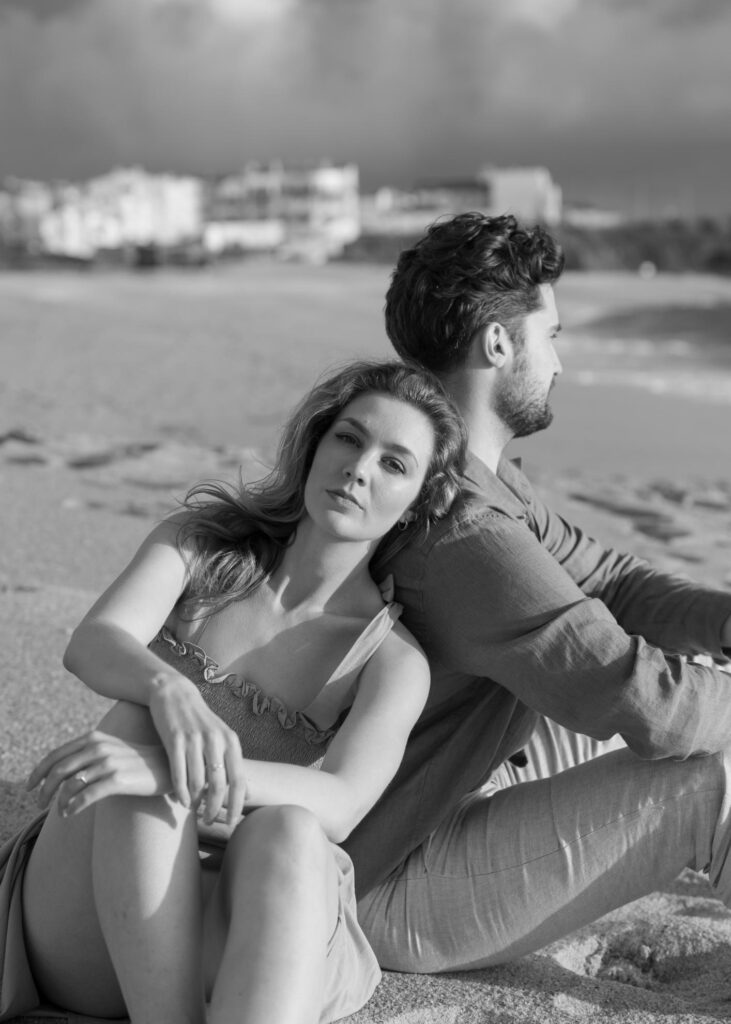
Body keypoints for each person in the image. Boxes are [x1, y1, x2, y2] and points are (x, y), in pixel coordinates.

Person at [1, 360, 467, 1024]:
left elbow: (340, 803)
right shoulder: (203, 546)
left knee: (293, 831)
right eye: (348, 438)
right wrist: (170, 692)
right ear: (315, 445)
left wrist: (172, 769)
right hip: (89, 914)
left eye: (394, 464)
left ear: (419, 501)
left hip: (242, 923)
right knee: (137, 727)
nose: (359, 468)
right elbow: (94, 642)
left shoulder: (391, 659)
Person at [340, 213, 731, 973]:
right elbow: (645, 703)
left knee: (709, 682)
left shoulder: (475, 478)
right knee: (713, 779)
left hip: (458, 769)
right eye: (549, 336)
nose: (558, 363)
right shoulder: (462, 528)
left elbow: (611, 580)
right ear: (498, 344)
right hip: (391, 875)